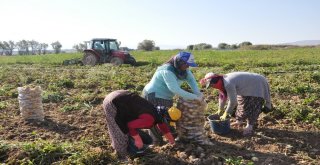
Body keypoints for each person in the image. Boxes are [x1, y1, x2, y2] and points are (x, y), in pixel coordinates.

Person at [142, 51, 203, 142]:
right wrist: (195, 98)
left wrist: (198, 94)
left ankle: (171, 137)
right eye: (187, 64)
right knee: (156, 119)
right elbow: (175, 90)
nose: (188, 67)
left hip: (166, 97)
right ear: (179, 62)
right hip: (153, 95)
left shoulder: (183, 70)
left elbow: (192, 81)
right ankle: (156, 142)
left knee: (169, 117)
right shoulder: (167, 70)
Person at [102, 90, 181, 158]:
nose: (168, 124)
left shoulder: (159, 112)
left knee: (129, 128)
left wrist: (172, 142)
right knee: (119, 131)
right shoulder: (149, 119)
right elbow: (130, 125)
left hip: (122, 95)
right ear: (166, 118)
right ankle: (121, 155)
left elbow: (164, 129)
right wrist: (138, 140)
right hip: (113, 102)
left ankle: (129, 142)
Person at [200, 72, 272, 135]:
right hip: (245, 85)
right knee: (241, 103)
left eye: (211, 85)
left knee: (252, 105)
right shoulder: (221, 83)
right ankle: (239, 121)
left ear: (216, 81)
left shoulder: (228, 83)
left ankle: (249, 127)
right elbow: (222, 96)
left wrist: (227, 113)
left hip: (257, 84)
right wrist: (220, 109)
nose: (212, 87)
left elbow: (233, 102)